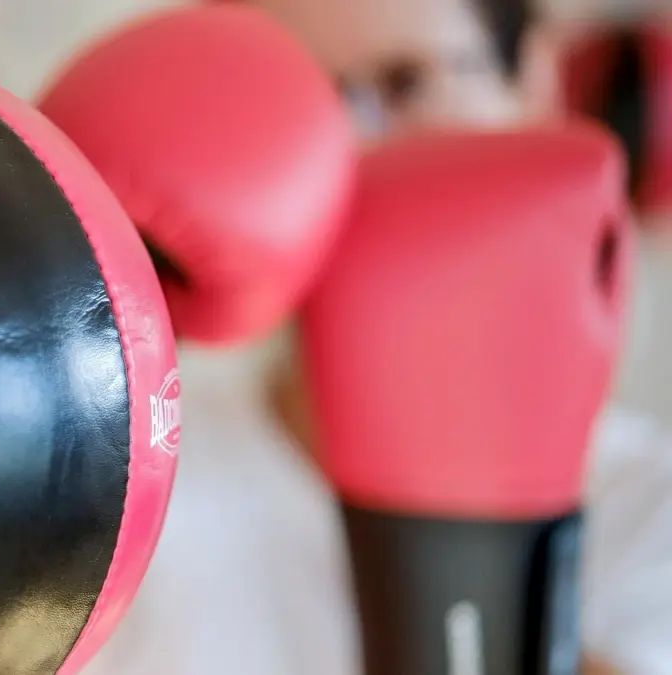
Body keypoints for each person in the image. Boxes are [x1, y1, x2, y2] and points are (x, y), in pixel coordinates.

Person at [79, 1, 672, 674]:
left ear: (533, 81)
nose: (355, 149)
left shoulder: (652, 509)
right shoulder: (118, 485)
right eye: (295, 110)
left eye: (405, 83)